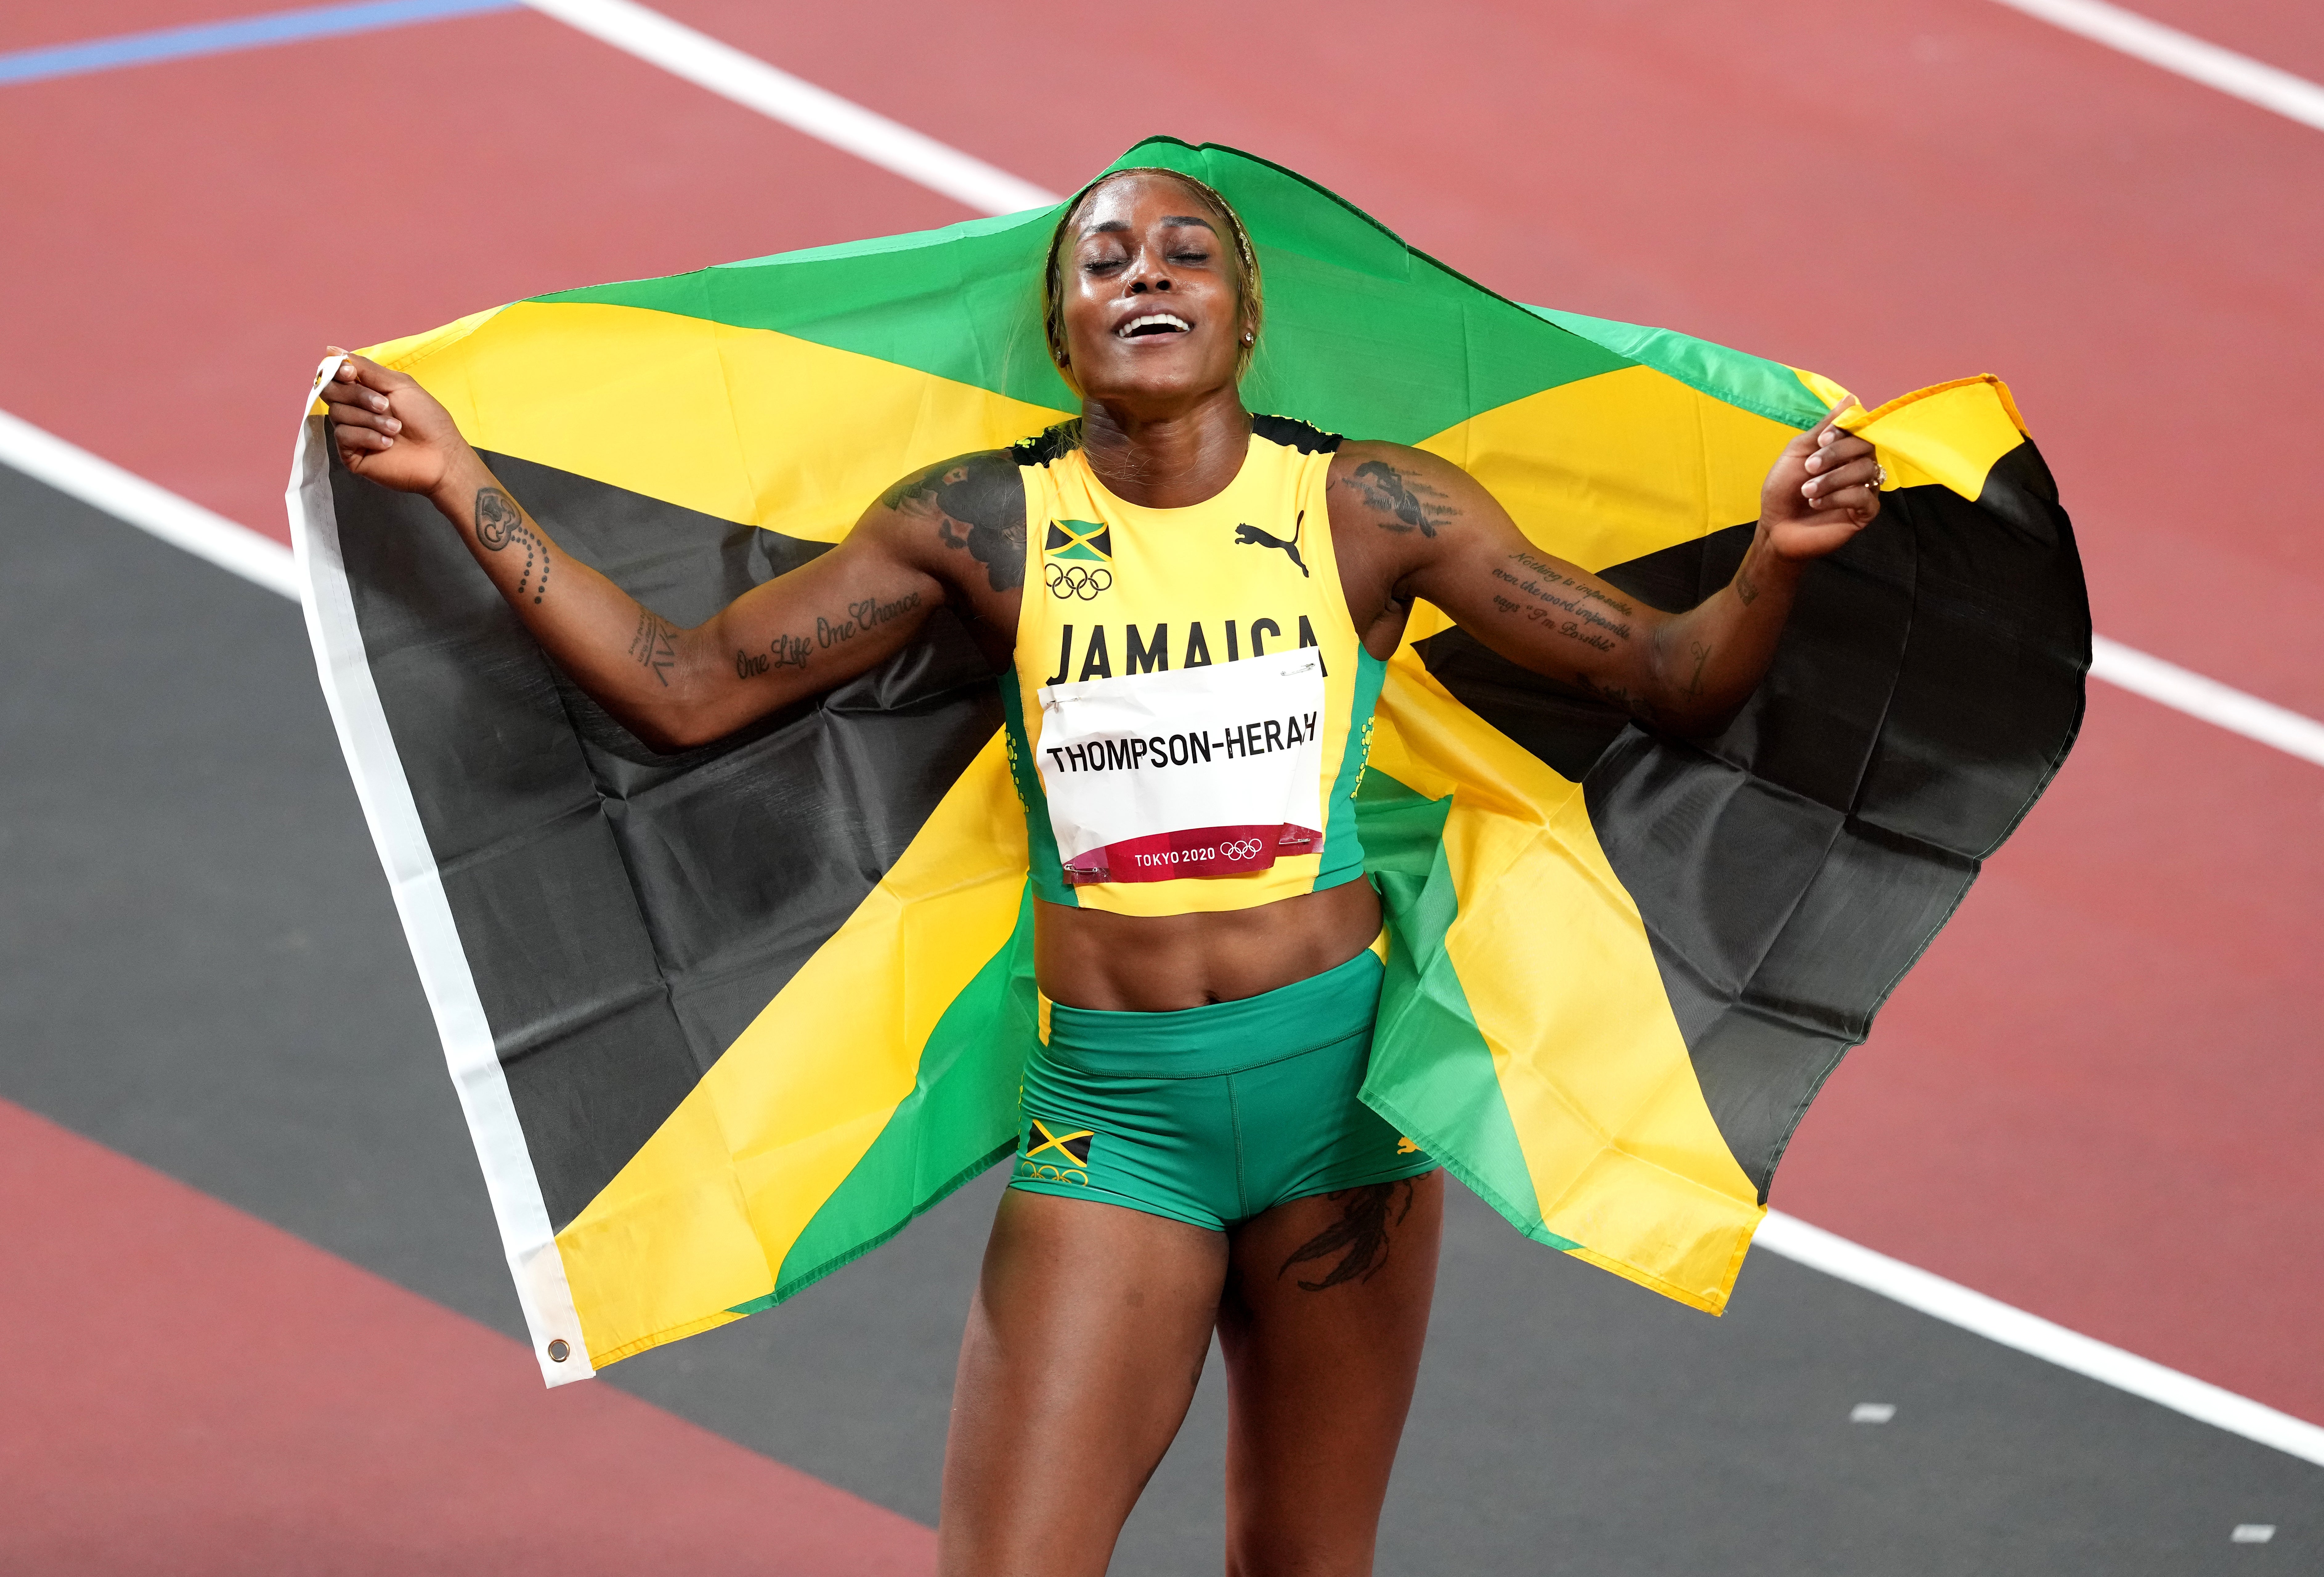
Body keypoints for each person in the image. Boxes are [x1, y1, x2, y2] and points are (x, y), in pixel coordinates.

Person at [321, 165, 1884, 1576]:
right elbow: (682, 685)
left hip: (1341, 1106)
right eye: (1104, 258)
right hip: (1117, 1119)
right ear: (1065, 332)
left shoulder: (1366, 509)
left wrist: (1773, 554)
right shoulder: (985, 526)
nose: (1147, 272)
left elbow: (1676, 681)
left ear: (1240, 313)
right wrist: (467, 484)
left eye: (1187, 252)